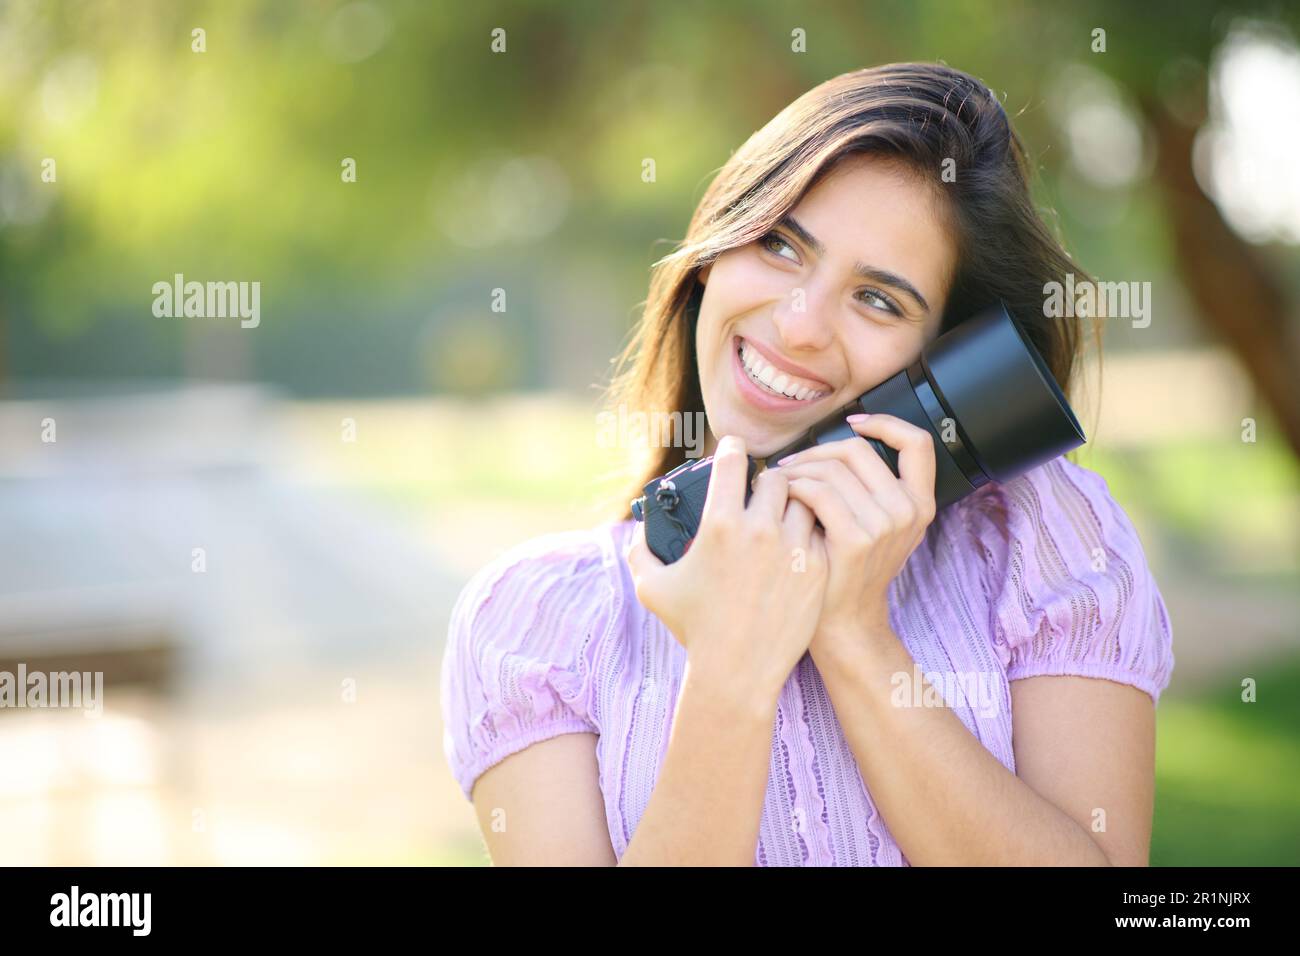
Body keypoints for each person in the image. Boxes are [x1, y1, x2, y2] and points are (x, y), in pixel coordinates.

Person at [439, 61, 1175, 866]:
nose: (799, 326)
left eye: (879, 299)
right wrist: (730, 670)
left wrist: (855, 632)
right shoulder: (534, 627)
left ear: (945, 358)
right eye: (780, 245)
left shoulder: (1044, 543)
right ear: (716, 249)